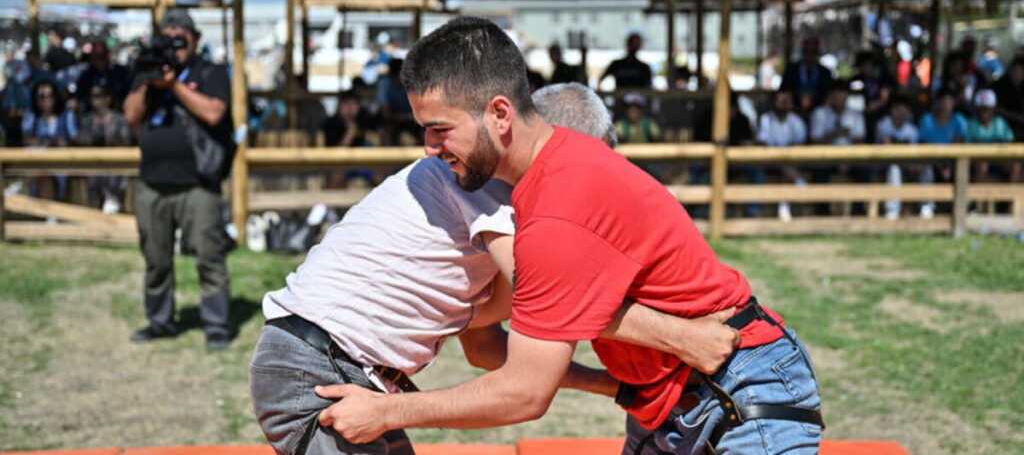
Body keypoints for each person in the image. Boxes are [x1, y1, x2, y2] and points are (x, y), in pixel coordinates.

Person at [316, 16, 822, 454]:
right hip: (670, 394)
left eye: (440, 129)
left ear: (500, 114)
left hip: (738, 386)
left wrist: (387, 412)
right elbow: (498, 328)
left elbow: (523, 392)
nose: (428, 149)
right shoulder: (539, 191)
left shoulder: (557, 209)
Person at [250, 81, 740, 455]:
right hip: (317, 365)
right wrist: (680, 337)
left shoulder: (493, 207)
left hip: (344, 367)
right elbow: (554, 298)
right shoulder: (490, 188)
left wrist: (613, 386)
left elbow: (487, 348)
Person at [123, 8, 236, 351]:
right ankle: (160, 321)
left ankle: (216, 326)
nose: (174, 47)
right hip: (152, 182)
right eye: (167, 39)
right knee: (156, 258)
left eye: (181, 41)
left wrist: (174, 84)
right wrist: (149, 80)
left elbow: (215, 112)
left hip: (198, 185)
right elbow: (130, 115)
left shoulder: (210, 71)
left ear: (195, 41)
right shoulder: (148, 75)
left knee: (209, 257)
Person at [809, 82, 867, 215]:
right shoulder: (820, 113)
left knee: (865, 170)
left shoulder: (855, 115)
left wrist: (847, 158)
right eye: (837, 96)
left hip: (851, 158)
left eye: (843, 96)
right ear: (831, 97)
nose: (840, 99)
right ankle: (823, 214)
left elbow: (860, 141)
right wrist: (833, 134)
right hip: (826, 158)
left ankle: (857, 212)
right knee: (819, 171)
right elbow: (814, 141)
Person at [77, 83, 132, 212]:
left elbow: (127, 142)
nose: (94, 100)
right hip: (93, 164)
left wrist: (112, 142)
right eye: (92, 96)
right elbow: (82, 142)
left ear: (108, 98)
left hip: (116, 164)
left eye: (98, 96)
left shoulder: (119, 119)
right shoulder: (87, 120)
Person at [917, 88, 969, 217]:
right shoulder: (927, 119)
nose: (946, 104)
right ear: (937, 103)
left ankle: (965, 206)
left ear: (954, 103)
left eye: (949, 101)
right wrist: (940, 165)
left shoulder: (958, 119)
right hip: (931, 160)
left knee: (962, 168)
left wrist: (947, 165)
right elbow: (925, 146)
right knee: (926, 169)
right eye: (943, 101)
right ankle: (926, 205)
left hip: (951, 161)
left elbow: (959, 144)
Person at [757, 90, 808, 221]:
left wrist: (784, 153)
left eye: (786, 101)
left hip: (790, 160)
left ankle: (784, 208)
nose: (783, 105)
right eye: (780, 101)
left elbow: (799, 144)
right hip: (769, 160)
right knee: (783, 164)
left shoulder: (796, 120)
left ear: (791, 104)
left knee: (785, 168)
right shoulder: (766, 119)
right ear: (774, 103)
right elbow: (764, 143)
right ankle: (800, 184)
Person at [875, 99, 920, 220]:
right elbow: (887, 147)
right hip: (882, 164)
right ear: (892, 111)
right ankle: (892, 210)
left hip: (906, 164)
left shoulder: (912, 129)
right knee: (894, 168)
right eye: (899, 110)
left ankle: (926, 207)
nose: (902, 113)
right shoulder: (884, 124)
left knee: (925, 169)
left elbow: (913, 153)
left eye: (905, 110)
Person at [966, 89, 1018, 183]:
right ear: (976, 109)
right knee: (982, 166)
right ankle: (977, 197)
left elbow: (1009, 144)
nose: (984, 112)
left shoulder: (1000, 123)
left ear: (993, 108)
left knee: (1015, 166)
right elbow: (965, 148)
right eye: (981, 108)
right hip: (978, 161)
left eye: (987, 108)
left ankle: (1011, 197)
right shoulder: (971, 124)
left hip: (998, 160)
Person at [780, 37, 835, 118]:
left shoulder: (825, 72)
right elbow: (784, 90)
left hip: (819, 111)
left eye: (813, 52)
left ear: (817, 53)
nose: (810, 56)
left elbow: (829, 93)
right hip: (794, 110)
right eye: (807, 52)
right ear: (803, 52)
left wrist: (813, 99)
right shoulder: (791, 70)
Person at [75, 40, 131, 111]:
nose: (100, 61)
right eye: (97, 56)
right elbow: (80, 96)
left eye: (102, 56)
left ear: (107, 55)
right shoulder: (86, 76)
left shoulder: (120, 72)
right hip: (91, 116)